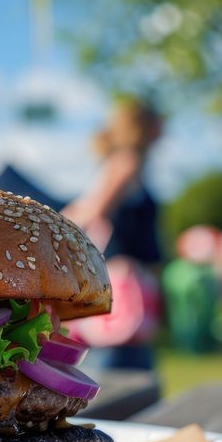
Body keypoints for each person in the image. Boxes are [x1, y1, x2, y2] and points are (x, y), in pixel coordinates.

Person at [63, 99, 164, 369]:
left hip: (117, 280)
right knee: (124, 366)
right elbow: (96, 210)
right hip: (124, 281)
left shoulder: (116, 162)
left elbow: (83, 210)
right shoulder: (128, 162)